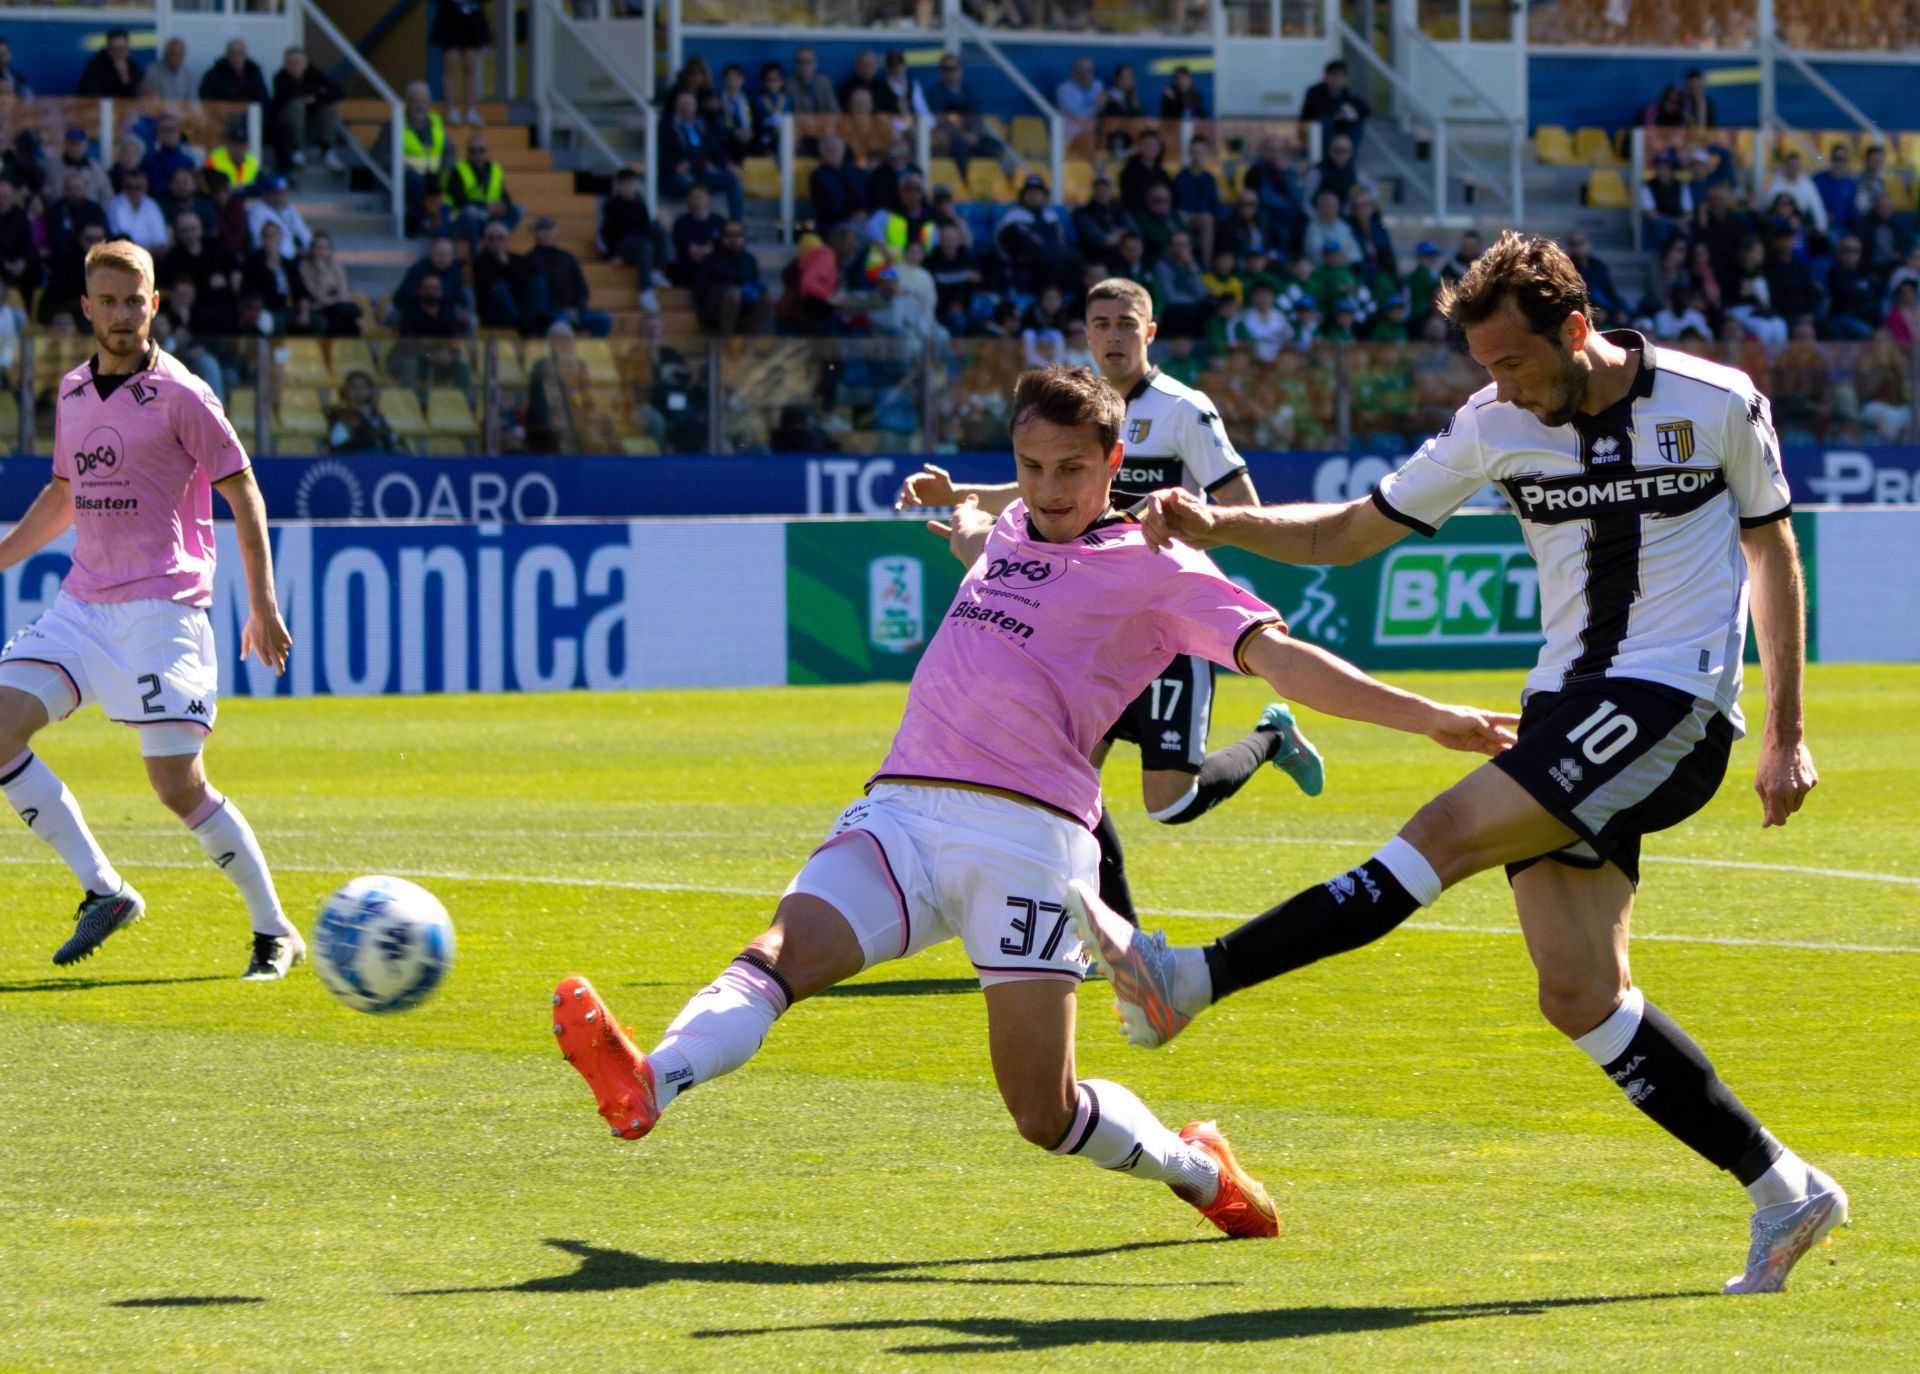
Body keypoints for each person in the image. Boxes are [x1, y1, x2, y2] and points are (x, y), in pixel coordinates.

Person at [553, 364, 1512, 1236]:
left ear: (1114, 461)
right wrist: (959, 511)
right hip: (902, 811)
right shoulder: (1011, 524)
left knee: (1041, 1113)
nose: (1049, 491)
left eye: (1069, 469)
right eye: (1031, 466)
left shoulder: (1162, 569)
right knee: (781, 952)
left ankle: (1193, 1167)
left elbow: (1287, 660)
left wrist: (1428, 716)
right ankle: (653, 1080)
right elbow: (987, 533)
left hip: (1031, 842)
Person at [1088, 230, 1847, 1298]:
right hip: (1564, 711)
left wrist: (1783, 731)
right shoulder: (1494, 424)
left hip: (1672, 706)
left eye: (1515, 362)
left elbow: (1772, 549)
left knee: (1438, 835)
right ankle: (1783, 1189)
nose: (1501, 384)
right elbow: (1353, 531)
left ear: (1576, 329)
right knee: (1579, 992)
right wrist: (1224, 523)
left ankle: (1193, 978)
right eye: (1486, 366)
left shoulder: (1716, 401)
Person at [899, 275, 1327, 924]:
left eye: (1126, 323)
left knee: (1170, 803)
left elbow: (1243, 510)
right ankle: (1114, 937)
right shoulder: (1074, 408)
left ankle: (1272, 738)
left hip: (1156, 622)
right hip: (1080, 626)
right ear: (1086, 333)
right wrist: (958, 492)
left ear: (1149, 332)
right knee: (1060, 786)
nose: (1112, 336)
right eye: (1100, 324)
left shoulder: (1186, 411)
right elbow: (1036, 492)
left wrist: (1177, 524)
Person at [0, 239, 303, 980]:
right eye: (107, 301)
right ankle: (104, 890)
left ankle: (275, 930)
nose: (121, 315)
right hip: (81, 608)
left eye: (134, 301)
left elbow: (244, 490)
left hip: (162, 610)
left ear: (155, 304)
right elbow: (66, 494)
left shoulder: (184, 395)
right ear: (86, 308)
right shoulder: (71, 391)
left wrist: (261, 602)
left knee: (175, 785)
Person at [659, 89, 745, 222]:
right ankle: (695, 226)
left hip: (700, 174)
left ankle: (736, 223)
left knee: (731, 179)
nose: (687, 108)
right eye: (683, 104)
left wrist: (728, 164)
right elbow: (659, 156)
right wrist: (674, 167)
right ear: (676, 105)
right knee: (693, 186)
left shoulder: (700, 124)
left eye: (690, 104)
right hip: (676, 176)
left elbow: (713, 150)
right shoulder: (666, 126)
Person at [524, 215, 610, 338]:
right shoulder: (528, 260)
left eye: (549, 229)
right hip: (550, 313)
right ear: (535, 234)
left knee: (603, 320)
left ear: (556, 232)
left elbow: (582, 290)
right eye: (542, 230)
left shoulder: (567, 258)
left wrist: (577, 309)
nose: (546, 233)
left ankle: (592, 355)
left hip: (574, 311)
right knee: (561, 320)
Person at [386, 83, 447, 237]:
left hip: (435, 177)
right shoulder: (395, 125)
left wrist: (446, 169)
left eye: (422, 100)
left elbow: (449, 151)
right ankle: (422, 220)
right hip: (408, 179)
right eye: (414, 100)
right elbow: (380, 155)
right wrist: (399, 167)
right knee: (415, 179)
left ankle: (446, 231)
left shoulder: (437, 122)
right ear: (407, 101)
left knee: (456, 180)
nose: (419, 105)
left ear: (429, 102)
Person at [271, 47, 345, 174]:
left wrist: (316, 98)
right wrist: (317, 93)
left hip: (311, 124)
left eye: (298, 62)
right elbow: (290, 93)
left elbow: (338, 92)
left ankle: (326, 150)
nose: (294, 66)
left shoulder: (313, 74)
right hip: (286, 126)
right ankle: (296, 150)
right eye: (290, 62)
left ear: (306, 63)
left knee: (329, 107)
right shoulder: (280, 77)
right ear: (285, 63)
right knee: (297, 105)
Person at [444, 131, 518, 245]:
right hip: (465, 218)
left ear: (487, 152)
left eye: (481, 150)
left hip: (490, 216)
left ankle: (498, 240)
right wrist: (485, 206)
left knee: (518, 210)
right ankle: (476, 249)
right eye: (472, 151)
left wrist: (503, 205)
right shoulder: (458, 170)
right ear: (467, 152)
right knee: (471, 212)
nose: (477, 154)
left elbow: (503, 194)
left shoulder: (495, 170)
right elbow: (458, 199)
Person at [430, 0, 491, 126]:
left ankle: (471, 111)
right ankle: (451, 111)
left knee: (471, 69)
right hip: (450, 18)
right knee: (450, 69)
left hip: (472, 20)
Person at [1299, 60, 1370, 153]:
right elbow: (1317, 111)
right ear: (1326, 76)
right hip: (1314, 128)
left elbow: (1365, 110)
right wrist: (1337, 115)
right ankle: (1328, 159)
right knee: (1327, 121)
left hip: (1337, 129)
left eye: (1341, 77)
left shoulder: (1345, 93)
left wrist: (1347, 115)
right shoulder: (1314, 91)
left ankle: (1348, 160)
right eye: (1334, 76)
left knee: (1359, 123)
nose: (1337, 80)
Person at [298, 231, 360, 336]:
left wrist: (330, 300)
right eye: (317, 247)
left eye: (324, 248)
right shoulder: (304, 267)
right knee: (338, 318)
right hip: (316, 308)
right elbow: (315, 294)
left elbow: (344, 294)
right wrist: (321, 273)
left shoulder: (336, 267)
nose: (320, 251)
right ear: (312, 249)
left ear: (330, 250)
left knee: (348, 320)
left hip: (336, 307)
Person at [327, 370, 403, 453]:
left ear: (371, 391)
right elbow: (337, 447)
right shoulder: (340, 415)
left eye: (362, 386)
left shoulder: (379, 417)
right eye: (353, 387)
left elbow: (393, 442)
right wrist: (370, 439)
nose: (358, 390)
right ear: (345, 391)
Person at [247, 175, 314, 260]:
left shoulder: (289, 209)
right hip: (274, 258)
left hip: (295, 256)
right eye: (276, 192)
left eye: (283, 192)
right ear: (267, 193)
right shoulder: (257, 211)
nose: (281, 196)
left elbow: (304, 232)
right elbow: (258, 242)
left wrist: (309, 249)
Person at [106, 169, 169, 255]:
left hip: (152, 256)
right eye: (129, 187)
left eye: (138, 187)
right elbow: (119, 241)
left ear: (146, 187)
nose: (133, 191)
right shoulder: (115, 206)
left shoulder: (152, 205)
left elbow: (161, 241)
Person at [199, 38, 269, 105]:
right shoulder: (213, 74)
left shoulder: (255, 72)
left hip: (250, 113)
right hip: (223, 114)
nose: (236, 57)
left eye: (240, 53)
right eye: (232, 53)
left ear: (245, 54)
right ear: (226, 54)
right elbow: (206, 100)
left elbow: (264, 98)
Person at [79, 28, 142, 99]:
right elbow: (90, 94)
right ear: (108, 49)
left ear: (127, 50)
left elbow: (136, 97)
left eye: (121, 49)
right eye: (114, 49)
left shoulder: (133, 66)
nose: (118, 54)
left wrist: (124, 76)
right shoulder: (95, 66)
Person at [141, 37, 192, 102]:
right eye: (174, 53)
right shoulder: (153, 70)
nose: (177, 58)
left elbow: (193, 100)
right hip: (160, 109)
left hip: (182, 111)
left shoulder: (187, 74)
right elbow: (150, 96)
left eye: (180, 54)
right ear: (166, 53)